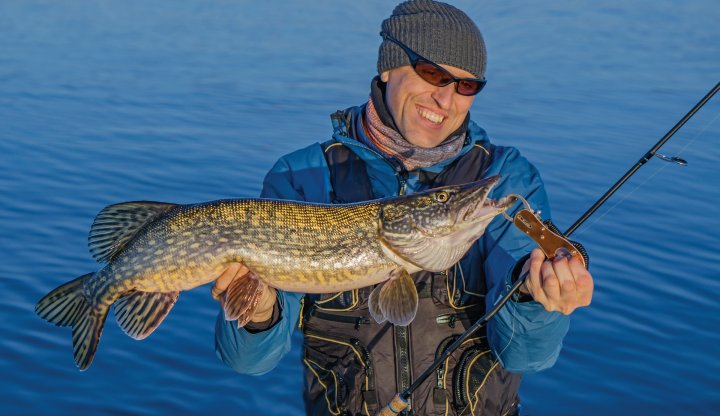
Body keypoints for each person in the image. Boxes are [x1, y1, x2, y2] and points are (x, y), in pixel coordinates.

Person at [212, 1, 594, 414]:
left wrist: (536, 300)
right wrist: (259, 312)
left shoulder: (506, 176)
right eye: (433, 73)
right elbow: (249, 362)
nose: (445, 98)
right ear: (389, 68)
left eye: (466, 86)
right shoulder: (301, 177)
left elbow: (527, 358)